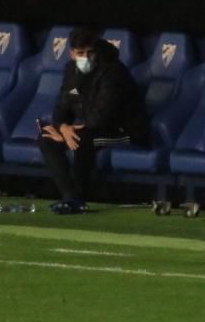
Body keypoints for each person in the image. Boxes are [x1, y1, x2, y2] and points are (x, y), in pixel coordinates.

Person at [39, 27, 147, 212]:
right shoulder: (71, 72)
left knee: (81, 139)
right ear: (71, 53)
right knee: (46, 138)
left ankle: (79, 197)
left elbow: (102, 116)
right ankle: (70, 196)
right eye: (81, 53)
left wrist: (71, 131)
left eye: (90, 53)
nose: (86, 58)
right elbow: (64, 104)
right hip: (89, 127)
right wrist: (62, 127)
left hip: (125, 130)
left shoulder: (112, 71)